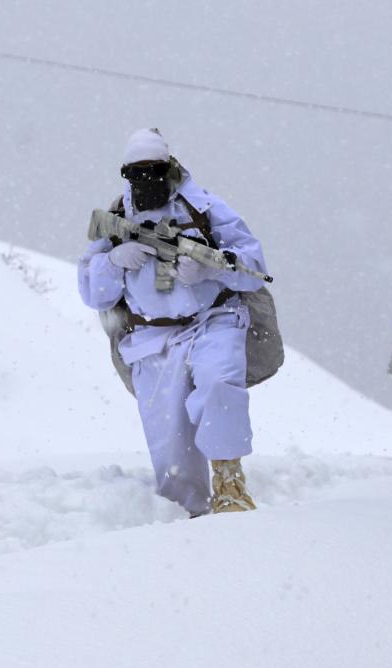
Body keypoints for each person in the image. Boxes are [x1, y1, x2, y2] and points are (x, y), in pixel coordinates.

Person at [78, 128, 269, 516]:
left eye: (155, 169)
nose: (146, 179)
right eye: (137, 172)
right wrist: (114, 262)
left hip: (212, 319)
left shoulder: (205, 208)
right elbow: (91, 292)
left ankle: (230, 484)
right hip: (149, 338)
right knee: (171, 452)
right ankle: (189, 525)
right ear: (125, 174)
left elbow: (253, 269)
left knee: (218, 385)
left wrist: (208, 270)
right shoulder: (116, 218)